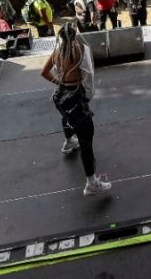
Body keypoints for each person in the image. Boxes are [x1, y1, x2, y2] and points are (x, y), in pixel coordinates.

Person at [40, 23, 111, 196]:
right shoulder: (80, 49)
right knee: (86, 140)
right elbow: (89, 76)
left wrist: (61, 83)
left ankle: (69, 141)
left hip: (61, 95)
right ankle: (91, 182)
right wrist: (87, 96)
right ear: (76, 34)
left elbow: (44, 72)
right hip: (75, 96)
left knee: (67, 118)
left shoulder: (59, 51)